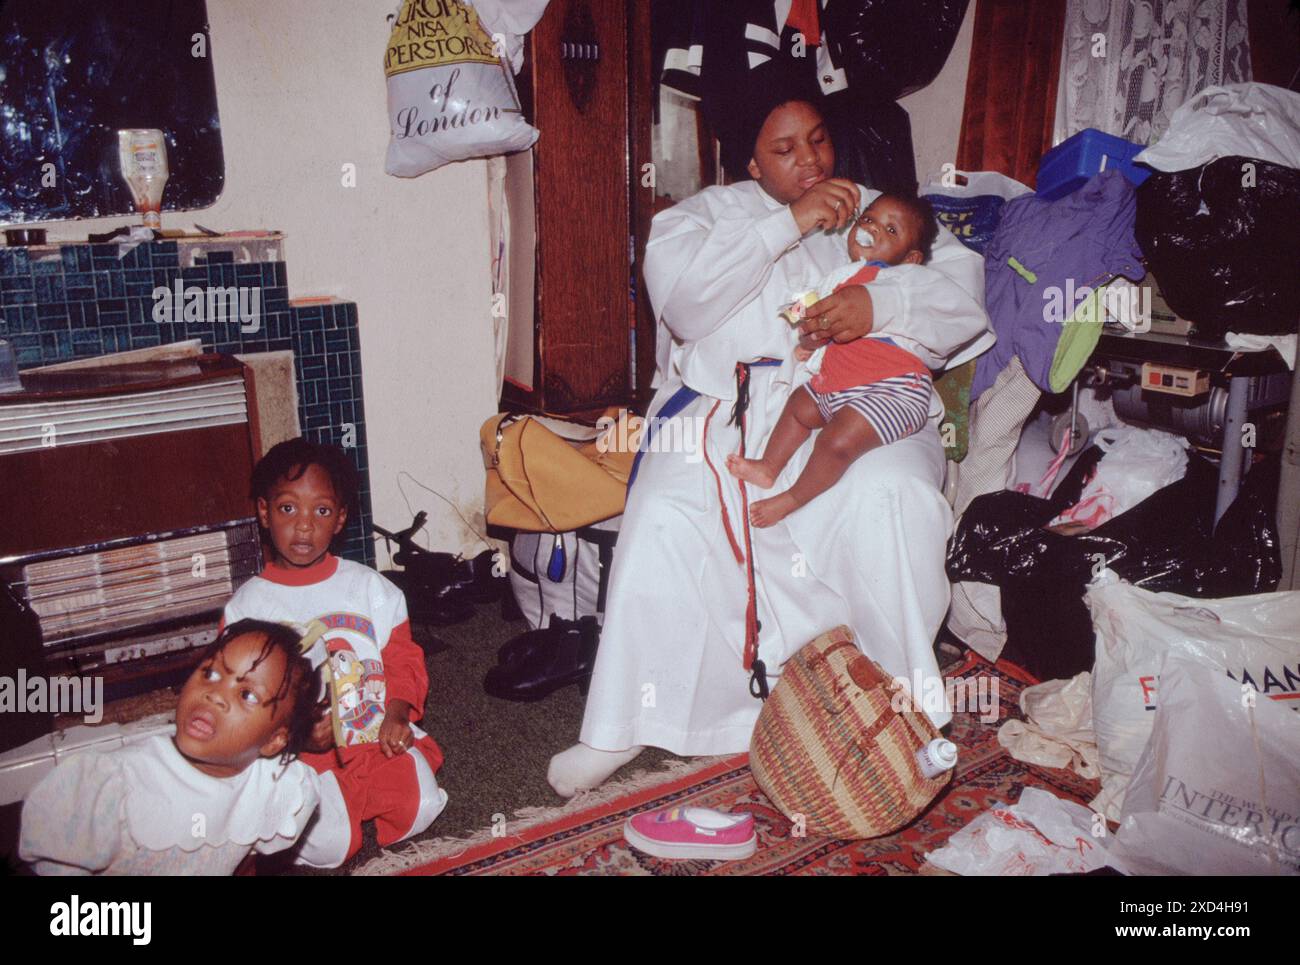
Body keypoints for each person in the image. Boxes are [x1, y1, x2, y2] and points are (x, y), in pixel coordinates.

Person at [547, 86, 992, 798]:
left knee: (893, 493)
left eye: (817, 139)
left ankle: (907, 712)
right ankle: (628, 719)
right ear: (748, 163)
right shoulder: (696, 219)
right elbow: (689, 304)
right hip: (724, 404)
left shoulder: (886, 213)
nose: (810, 161)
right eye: (784, 150)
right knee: (666, 505)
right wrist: (785, 225)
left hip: (866, 398)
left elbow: (963, 300)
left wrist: (881, 303)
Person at [223, 438, 447, 868]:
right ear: (264, 512)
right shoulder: (248, 607)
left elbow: (402, 659)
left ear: (340, 518)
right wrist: (297, 734)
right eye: (289, 509)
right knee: (328, 845)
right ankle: (318, 811)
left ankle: (367, 796)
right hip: (298, 755)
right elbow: (242, 700)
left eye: (321, 511)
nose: (304, 526)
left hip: (372, 739)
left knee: (420, 805)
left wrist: (397, 713)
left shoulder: (371, 588)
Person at [20, 620, 322, 875]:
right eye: (211, 674)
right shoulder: (117, 784)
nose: (215, 695)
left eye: (248, 694)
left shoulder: (273, 787)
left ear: (272, 741)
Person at [728, 192, 941, 527]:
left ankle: (792, 497)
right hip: (834, 386)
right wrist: (804, 334)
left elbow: (932, 315)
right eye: (869, 219)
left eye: (891, 230)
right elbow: (806, 311)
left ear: (911, 258)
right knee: (798, 406)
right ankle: (769, 466)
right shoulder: (837, 278)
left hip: (891, 391)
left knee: (836, 442)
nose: (873, 230)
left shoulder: (904, 281)